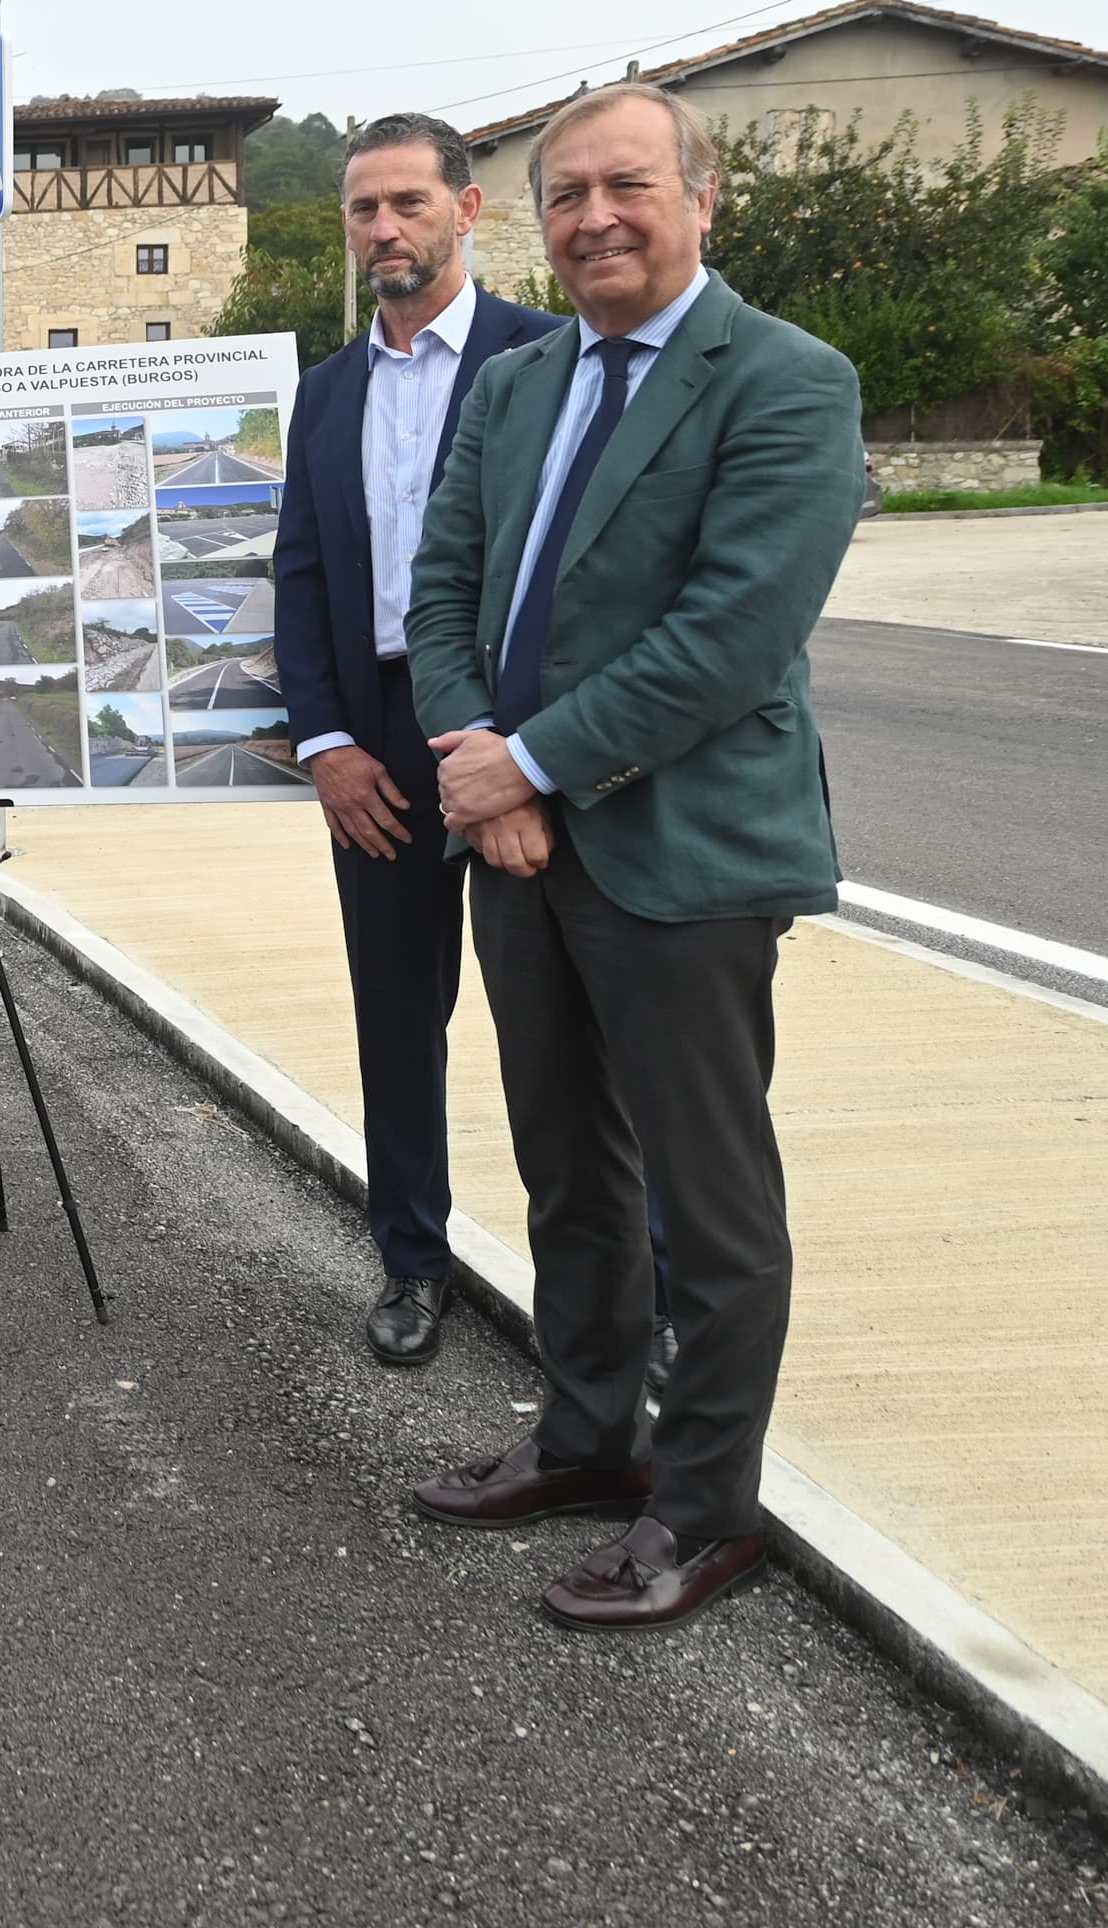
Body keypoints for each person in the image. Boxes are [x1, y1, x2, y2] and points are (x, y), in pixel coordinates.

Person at [401, 84, 865, 1631]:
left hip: (681, 853)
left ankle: (705, 1510)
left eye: (628, 185)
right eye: (570, 194)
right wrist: (485, 774)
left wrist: (528, 763)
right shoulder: (517, 384)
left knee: (708, 1202)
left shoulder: (789, 384)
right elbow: (446, 590)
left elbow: (731, 638)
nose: (597, 216)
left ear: (704, 196)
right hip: (522, 849)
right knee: (567, 1173)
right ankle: (588, 1438)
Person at [272, 113, 562, 1368]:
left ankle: (614, 1293)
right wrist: (328, 740)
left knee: (560, 1023)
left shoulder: (547, 356)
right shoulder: (328, 392)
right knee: (397, 1016)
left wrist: (523, 749)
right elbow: (296, 574)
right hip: (373, 742)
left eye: (405, 203)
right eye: (361, 209)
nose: (383, 229)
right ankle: (410, 1260)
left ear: (467, 209)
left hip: (510, 732)